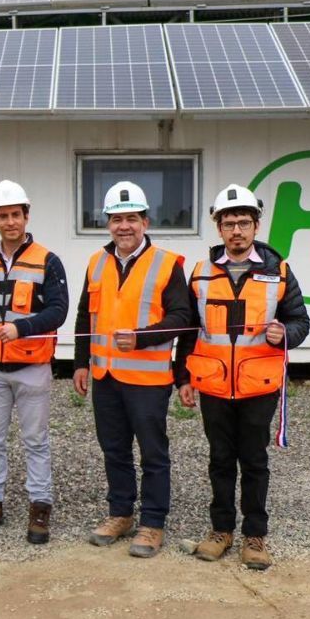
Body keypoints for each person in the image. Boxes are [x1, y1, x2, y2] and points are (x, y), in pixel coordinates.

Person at [176, 184, 310, 571]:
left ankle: (255, 534)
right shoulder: (201, 273)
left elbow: (300, 321)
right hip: (213, 384)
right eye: (229, 223)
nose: (237, 231)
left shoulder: (278, 271)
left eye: (244, 223)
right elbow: (189, 329)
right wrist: (183, 376)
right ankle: (221, 530)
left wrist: (286, 333)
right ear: (218, 228)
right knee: (220, 459)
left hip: (259, 385)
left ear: (256, 225)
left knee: (253, 460)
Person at [72, 181, 190, 558]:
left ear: (145, 221)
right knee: (114, 450)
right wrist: (78, 363)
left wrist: (140, 338)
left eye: (132, 219)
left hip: (148, 378)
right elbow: (83, 317)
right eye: (117, 219)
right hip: (105, 376)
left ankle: (152, 523)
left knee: (153, 453)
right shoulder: (96, 262)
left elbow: (183, 318)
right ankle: (120, 513)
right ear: (108, 223)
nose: (124, 226)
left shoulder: (168, 264)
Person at [0, 180, 69, 545]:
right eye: (3, 216)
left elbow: (59, 311)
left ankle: (40, 504)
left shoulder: (47, 260)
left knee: (35, 440)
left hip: (32, 367)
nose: (10, 222)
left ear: (26, 216)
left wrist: (21, 328)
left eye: (15, 215)